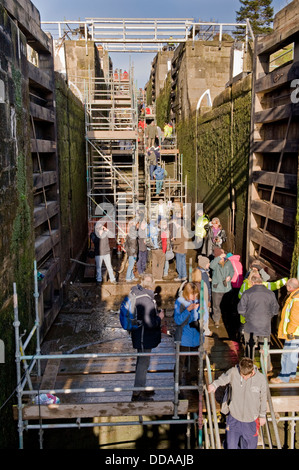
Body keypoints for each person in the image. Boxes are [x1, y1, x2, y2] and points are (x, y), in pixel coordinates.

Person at [208, 357, 267, 449]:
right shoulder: (233, 372)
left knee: (250, 447)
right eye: (241, 374)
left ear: (252, 372)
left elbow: (263, 398)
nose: (243, 377)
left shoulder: (261, 379)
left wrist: (262, 416)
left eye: (245, 376)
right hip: (234, 419)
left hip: (251, 420)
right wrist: (214, 385)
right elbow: (223, 379)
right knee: (230, 446)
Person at [131, 274, 164, 401]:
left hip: (138, 333)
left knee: (141, 361)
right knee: (143, 362)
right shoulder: (146, 299)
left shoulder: (136, 292)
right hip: (144, 335)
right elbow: (149, 322)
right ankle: (138, 390)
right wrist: (159, 318)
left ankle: (139, 387)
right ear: (152, 284)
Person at [237, 274, 279, 370]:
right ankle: (267, 367)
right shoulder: (270, 293)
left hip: (250, 325)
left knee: (249, 348)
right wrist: (268, 316)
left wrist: (248, 317)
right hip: (265, 325)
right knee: (265, 347)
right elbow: (275, 310)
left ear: (252, 282)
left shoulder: (247, 293)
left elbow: (241, 310)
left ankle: (248, 367)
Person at [174, 282, 208, 388]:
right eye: (192, 295)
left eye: (196, 294)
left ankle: (193, 378)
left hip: (196, 336)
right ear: (186, 294)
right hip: (184, 337)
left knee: (195, 359)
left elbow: (205, 316)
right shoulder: (180, 302)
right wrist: (188, 311)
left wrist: (199, 320)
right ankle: (177, 382)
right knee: (180, 360)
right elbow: (177, 320)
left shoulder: (200, 301)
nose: (195, 297)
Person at [271, 278, 299, 384]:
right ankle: (291, 374)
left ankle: (283, 377)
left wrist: (290, 332)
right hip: (295, 332)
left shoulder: (295, 299)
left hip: (293, 333)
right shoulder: (295, 296)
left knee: (287, 355)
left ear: (290, 287)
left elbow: (295, 318)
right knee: (292, 355)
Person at [210, 248, 235, 327]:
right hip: (217, 288)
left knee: (226, 305)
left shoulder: (228, 262)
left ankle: (226, 319)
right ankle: (216, 320)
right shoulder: (215, 263)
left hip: (227, 288)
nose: (222, 258)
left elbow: (232, 271)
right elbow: (211, 266)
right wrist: (218, 257)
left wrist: (230, 277)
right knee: (216, 305)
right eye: (221, 256)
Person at [171, 217, 188, 282]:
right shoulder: (185, 230)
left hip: (179, 249)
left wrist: (173, 241)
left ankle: (180, 276)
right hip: (184, 249)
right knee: (183, 263)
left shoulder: (180, 230)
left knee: (179, 263)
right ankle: (184, 275)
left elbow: (179, 241)